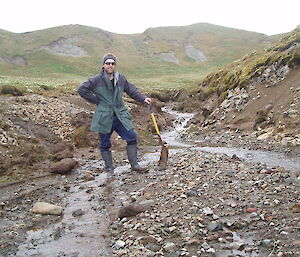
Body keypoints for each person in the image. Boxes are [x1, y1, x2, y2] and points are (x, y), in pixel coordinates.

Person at [77, 53, 151, 173]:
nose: (110, 65)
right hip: (104, 116)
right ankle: (109, 168)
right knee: (104, 143)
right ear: (103, 65)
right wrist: (96, 100)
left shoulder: (121, 79)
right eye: (107, 63)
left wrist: (143, 98)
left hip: (120, 115)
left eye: (112, 63)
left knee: (131, 136)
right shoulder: (95, 80)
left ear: (115, 65)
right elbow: (82, 90)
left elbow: (132, 90)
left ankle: (134, 165)